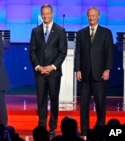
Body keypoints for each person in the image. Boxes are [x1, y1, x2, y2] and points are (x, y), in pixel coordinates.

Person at [74, 7, 113, 136]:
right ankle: (85, 130)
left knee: (101, 104)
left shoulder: (106, 33)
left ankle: (100, 129)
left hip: (100, 74)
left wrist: (107, 69)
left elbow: (109, 53)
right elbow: (78, 52)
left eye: (94, 15)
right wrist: (77, 69)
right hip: (85, 75)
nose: (91, 18)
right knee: (84, 105)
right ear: (87, 17)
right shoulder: (81, 33)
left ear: (98, 16)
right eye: (89, 16)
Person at [29, 4, 68, 135]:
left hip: (54, 73)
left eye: (47, 13)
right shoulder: (35, 31)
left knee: (54, 98)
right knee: (41, 99)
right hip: (40, 72)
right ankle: (41, 125)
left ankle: (52, 126)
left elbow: (63, 52)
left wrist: (52, 67)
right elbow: (32, 51)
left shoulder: (60, 30)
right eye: (43, 14)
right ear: (41, 15)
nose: (45, 16)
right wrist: (38, 67)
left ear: (52, 14)